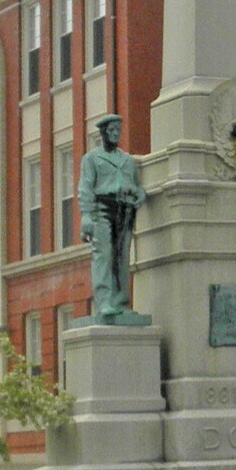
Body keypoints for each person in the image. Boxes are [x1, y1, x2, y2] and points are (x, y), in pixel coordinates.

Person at [77, 114, 145, 322]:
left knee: (122, 257)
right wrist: (86, 216)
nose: (116, 134)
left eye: (118, 130)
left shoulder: (127, 160)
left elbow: (135, 185)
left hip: (125, 209)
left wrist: (140, 194)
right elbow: (85, 188)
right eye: (112, 130)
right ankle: (105, 301)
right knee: (103, 255)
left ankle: (122, 303)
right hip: (102, 208)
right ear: (104, 133)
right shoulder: (92, 158)